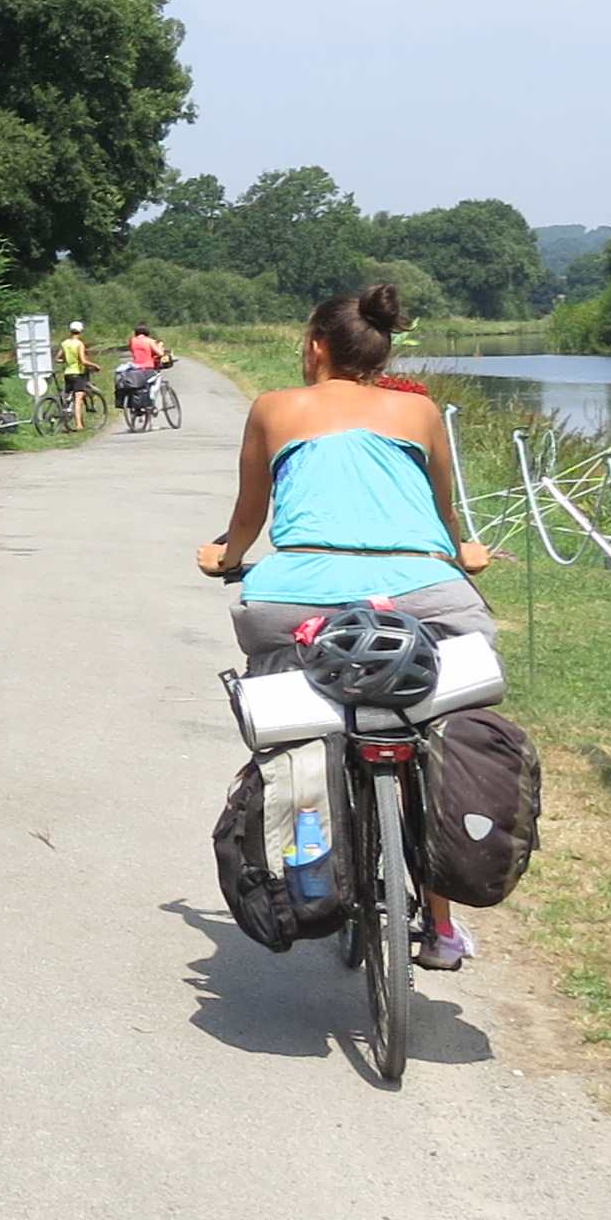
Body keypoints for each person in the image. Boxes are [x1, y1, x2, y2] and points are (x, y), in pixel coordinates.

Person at [194, 284, 494, 970]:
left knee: (296, 731)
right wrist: (463, 550)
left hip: (294, 597)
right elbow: (443, 511)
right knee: (437, 731)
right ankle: (441, 926)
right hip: (425, 592)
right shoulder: (418, 411)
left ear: (316, 347)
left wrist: (226, 557)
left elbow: (249, 515)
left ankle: (308, 863)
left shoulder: (274, 408)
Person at [57, 321, 95, 426]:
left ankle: (65, 423)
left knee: (69, 398)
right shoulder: (79, 344)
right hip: (78, 373)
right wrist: (95, 365)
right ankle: (79, 424)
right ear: (81, 331)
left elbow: (58, 358)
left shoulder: (65, 343)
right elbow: (83, 361)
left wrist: (67, 360)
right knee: (78, 397)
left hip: (67, 373)